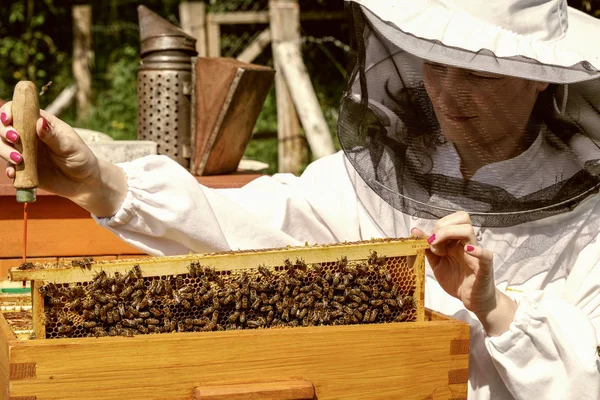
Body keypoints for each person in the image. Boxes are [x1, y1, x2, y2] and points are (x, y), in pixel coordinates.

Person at [1, 0, 599, 398]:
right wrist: (98, 182)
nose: (444, 91)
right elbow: (257, 225)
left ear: (542, 73)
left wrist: (495, 309)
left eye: (478, 73)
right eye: (433, 65)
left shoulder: (589, 223)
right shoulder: (375, 175)